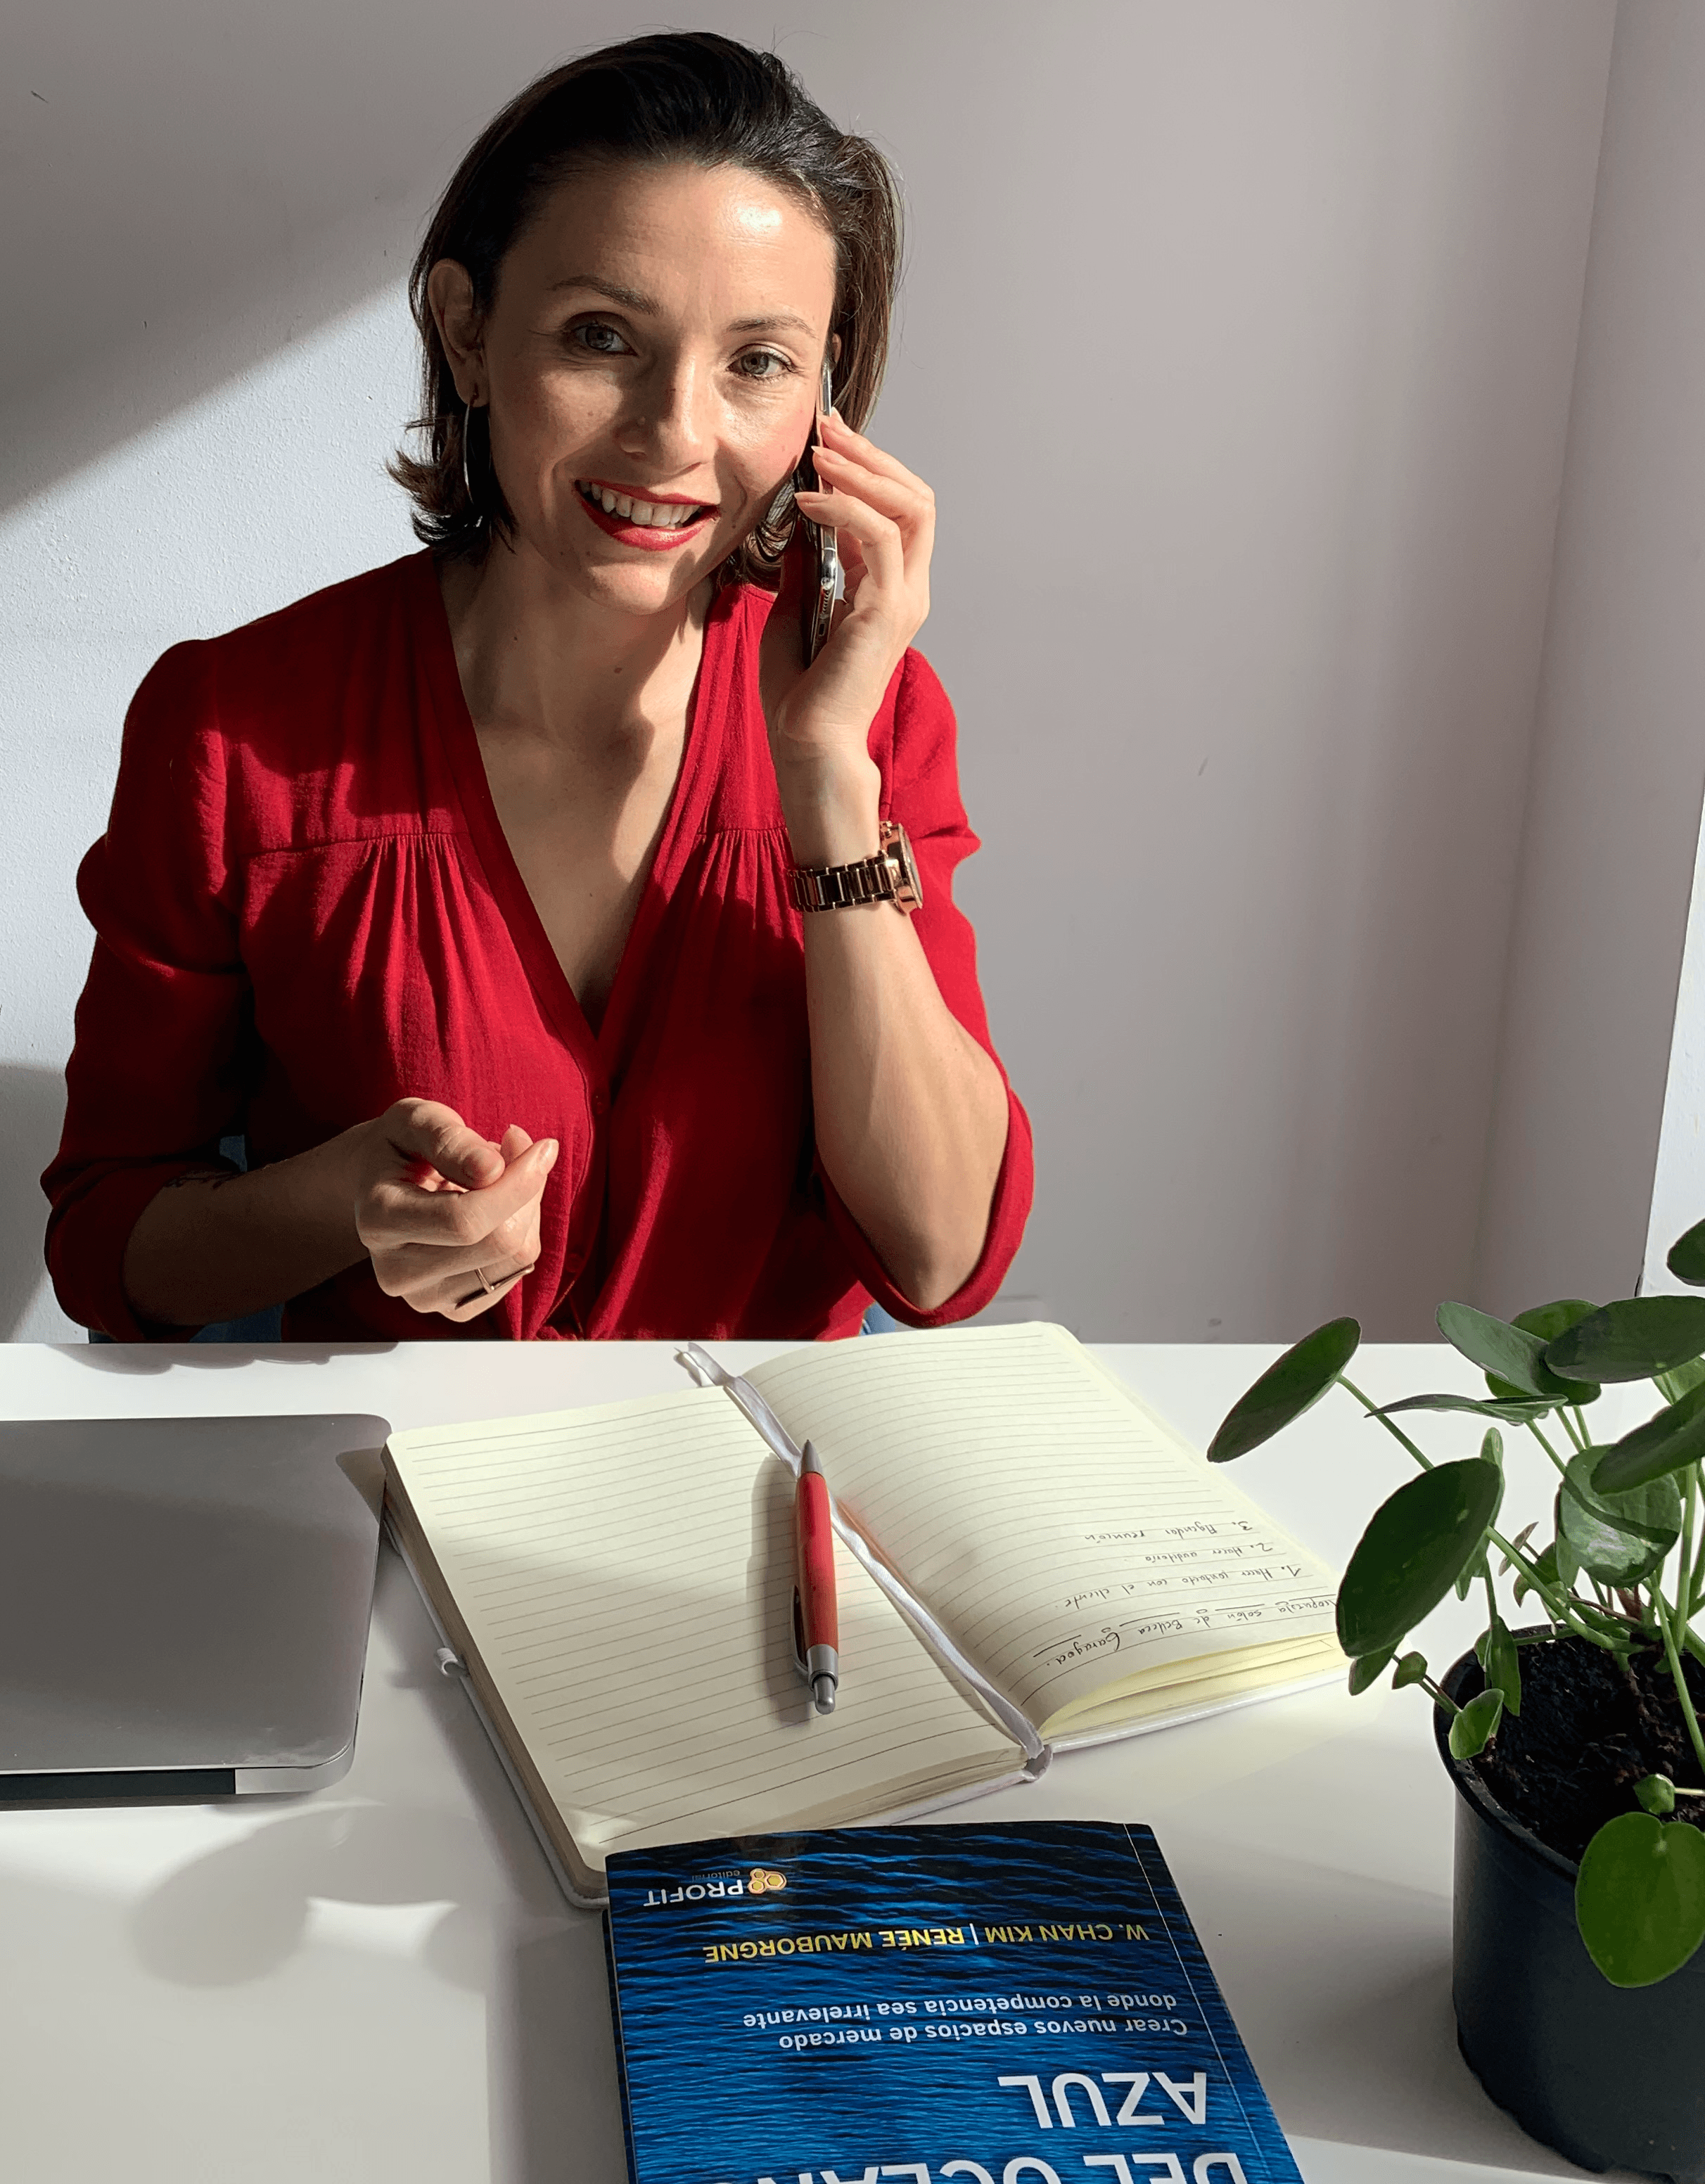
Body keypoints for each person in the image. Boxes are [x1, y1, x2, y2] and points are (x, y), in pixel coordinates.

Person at [41, 32, 1032, 1343]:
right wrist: (335, 1205)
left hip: (762, 1515)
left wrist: (828, 782)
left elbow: (941, 1260)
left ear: (823, 400)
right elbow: (107, 1247)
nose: (677, 433)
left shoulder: (876, 717)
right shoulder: (238, 733)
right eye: (602, 336)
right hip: (389, 1509)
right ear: (466, 332)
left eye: (759, 362)